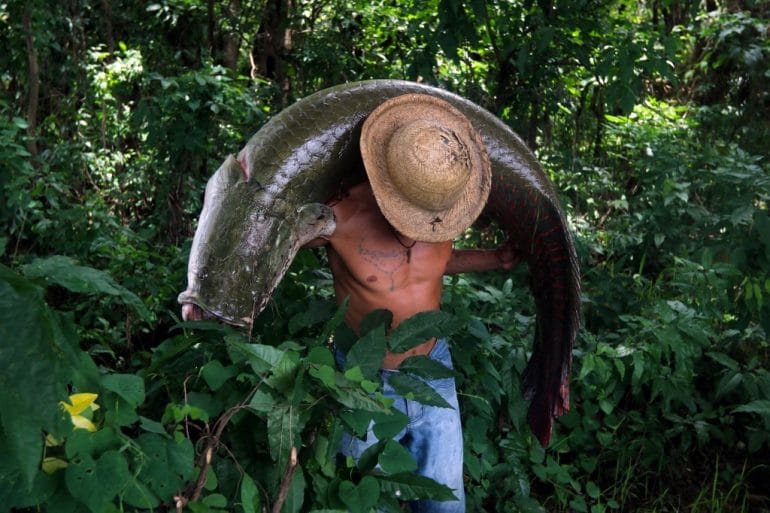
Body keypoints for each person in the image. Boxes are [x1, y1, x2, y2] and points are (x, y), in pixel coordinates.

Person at [304, 94, 517, 512]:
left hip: (432, 370)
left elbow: (435, 264)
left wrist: (494, 259)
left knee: (445, 504)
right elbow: (268, 238)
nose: (419, 228)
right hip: (362, 378)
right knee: (362, 500)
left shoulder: (443, 203)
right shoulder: (338, 214)